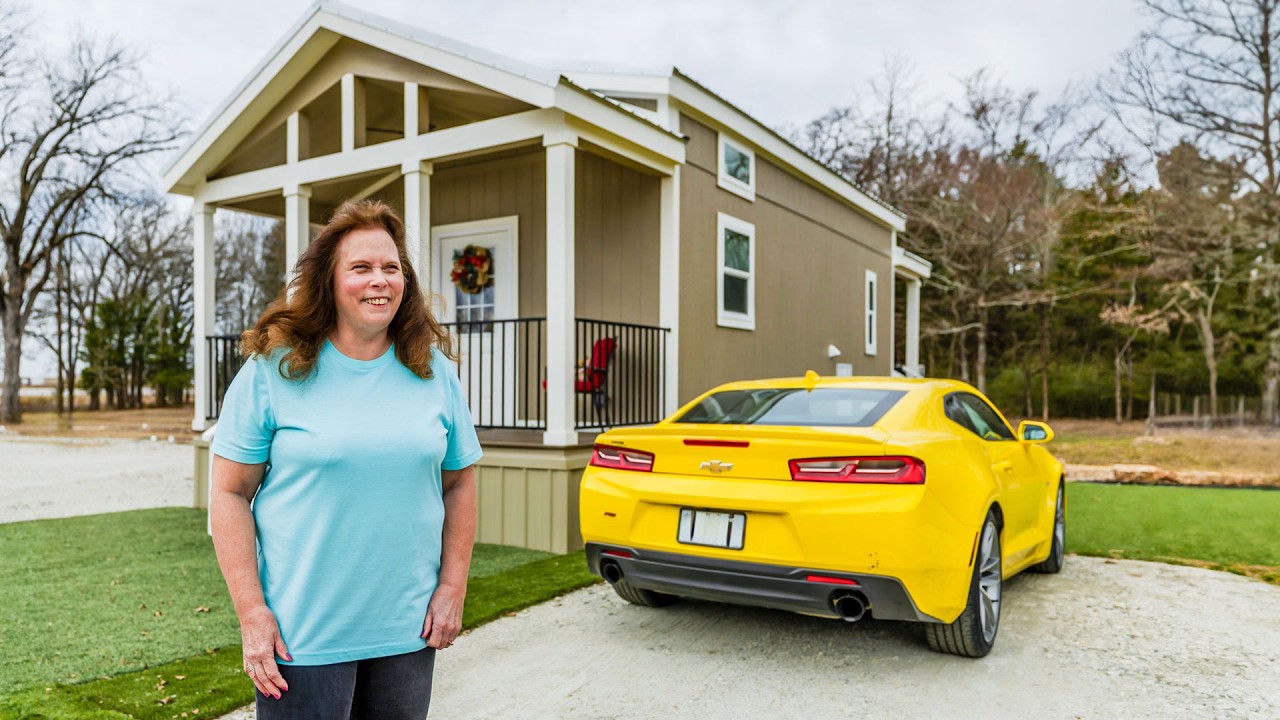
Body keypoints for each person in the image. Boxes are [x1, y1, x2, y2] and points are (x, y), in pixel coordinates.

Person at [209, 199, 481, 719]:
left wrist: (452, 587)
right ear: (329, 281)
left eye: (390, 268)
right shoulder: (274, 368)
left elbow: (459, 484)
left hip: (406, 633)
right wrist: (251, 614)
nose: (380, 280)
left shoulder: (434, 372)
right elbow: (228, 492)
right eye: (361, 268)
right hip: (302, 638)